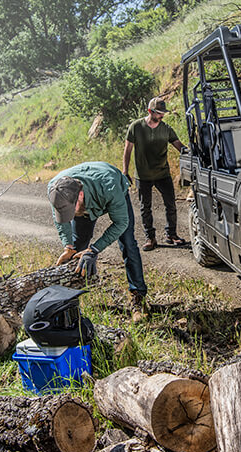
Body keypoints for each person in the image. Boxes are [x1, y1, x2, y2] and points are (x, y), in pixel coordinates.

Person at [48, 161, 147, 310]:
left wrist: (94, 249)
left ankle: (138, 296)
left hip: (109, 185)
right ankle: (70, 299)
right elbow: (60, 221)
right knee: (77, 246)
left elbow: (121, 223)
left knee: (128, 243)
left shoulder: (110, 187)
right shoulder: (55, 189)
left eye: (71, 210)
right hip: (85, 196)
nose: (71, 215)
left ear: (80, 195)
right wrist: (67, 247)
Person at [123, 97, 188, 251]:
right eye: (159, 113)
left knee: (171, 204)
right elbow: (128, 149)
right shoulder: (136, 127)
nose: (162, 116)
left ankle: (171, 234)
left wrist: (191, 152)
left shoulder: (166, 128)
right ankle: (150, 238)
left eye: (163, 113)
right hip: (143, 175)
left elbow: (179, 145)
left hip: (162, 173)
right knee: (146, 207)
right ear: (150, 111)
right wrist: (125, 171)